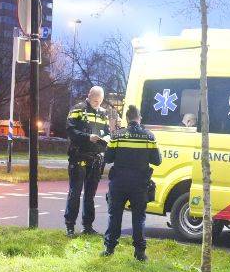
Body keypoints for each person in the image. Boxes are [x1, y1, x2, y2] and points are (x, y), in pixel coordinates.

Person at [103, 104, 162, 261]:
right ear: (139, 118)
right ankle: (140, 252)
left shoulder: (117, 136)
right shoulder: (149, 136)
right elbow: (157, 161)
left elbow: (107, 158)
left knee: (114, 215)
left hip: (119, 182)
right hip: (140, 183)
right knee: (139, 217)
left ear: (127, 119)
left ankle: (109, 248)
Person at [64, 85, 112, 236]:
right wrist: (87, 137)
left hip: (96, 158)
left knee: (90, 195)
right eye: (95, 100)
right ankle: (70, 226)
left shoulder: (104, 113)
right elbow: (70, 130)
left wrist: (107, 138)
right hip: (79, 156)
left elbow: (108, 132)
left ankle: (88, 226)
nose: (97, 103)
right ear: (89, 95)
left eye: (100, 101)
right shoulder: (78, 109)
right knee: (75, 192)